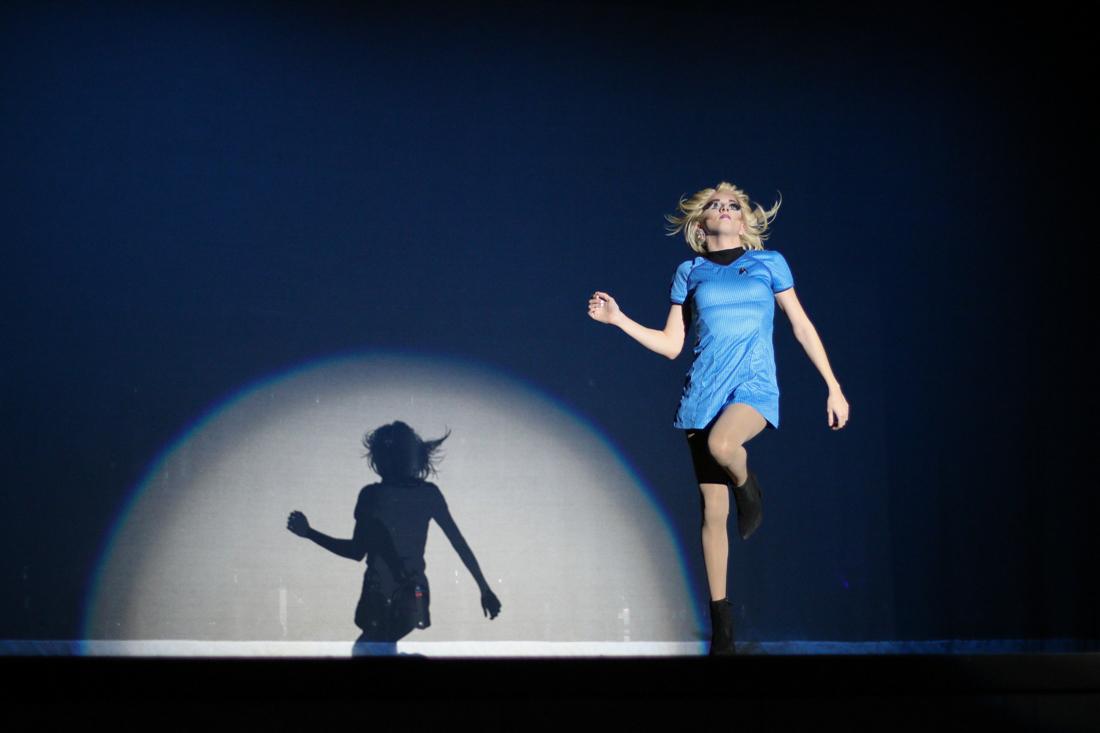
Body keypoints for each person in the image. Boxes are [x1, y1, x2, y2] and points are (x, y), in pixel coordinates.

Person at [587, 181, 849, 655]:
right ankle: (721, 627)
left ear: (746, 221)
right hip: (702, 393)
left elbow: (801, 325)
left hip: (752, 385)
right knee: (712, 513)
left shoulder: (769, 264)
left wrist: (832, 385)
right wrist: (619, 319)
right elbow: (671, 345)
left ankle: (750, 486)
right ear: (700, 221)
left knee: (724, 446)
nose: (725, 210)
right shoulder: (689, 271)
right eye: (716, 205)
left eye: (734, 205)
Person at [287, 421, 501, 655]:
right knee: (372, 650)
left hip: (409, 593)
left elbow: (458, 543)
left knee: (366, 650)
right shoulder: (375, 496)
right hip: (380, 595)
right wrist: (309, 533)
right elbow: (357, 551)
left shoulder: (420, 495)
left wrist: (485, 588)